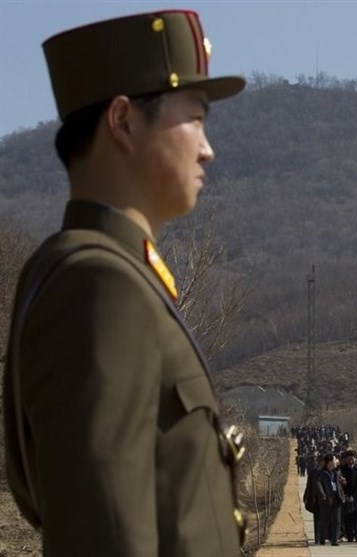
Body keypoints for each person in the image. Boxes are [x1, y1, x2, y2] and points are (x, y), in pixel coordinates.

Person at [2, 10, 246, 556]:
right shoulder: (97, 286)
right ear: (123, 120)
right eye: (195, 119)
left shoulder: (95, 273)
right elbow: (103, 531)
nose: (207, 149)